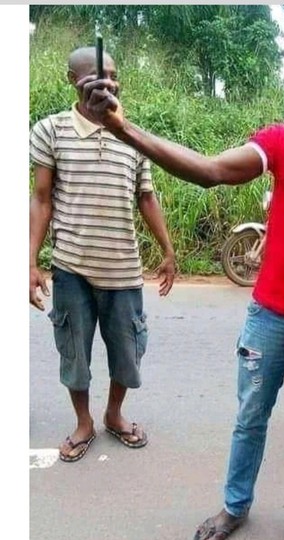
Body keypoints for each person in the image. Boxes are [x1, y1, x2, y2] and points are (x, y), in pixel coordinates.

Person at [81, 38, 284, 540]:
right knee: (250, 418)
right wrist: (122, 128)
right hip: (268, 317)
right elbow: (210, 170)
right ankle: (235, 507)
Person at [29, 46, 176, 463]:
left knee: (127, 353)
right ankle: (84, 423)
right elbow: (41, 200)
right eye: (94, 76)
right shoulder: (50, 130)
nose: (105, 83)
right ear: (71, 80)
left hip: (124, 270)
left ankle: (113, 414)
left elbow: (146, 196)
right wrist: (30, 262)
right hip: (72, 267)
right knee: (73, 351)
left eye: (111, 76)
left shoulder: (132, 134)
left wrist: (167, 250)